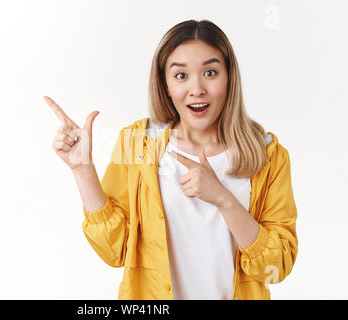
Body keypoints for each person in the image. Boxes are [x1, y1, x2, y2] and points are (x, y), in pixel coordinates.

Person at [45, 19, 298, 300]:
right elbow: (115, 252)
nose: (197, 88)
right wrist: (82, 170)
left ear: (229, 78)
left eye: (211, 72)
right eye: (181, 76)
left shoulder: (268, 154)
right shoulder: (136, 141)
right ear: (165, 84)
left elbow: (277, 265)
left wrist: (223, 199)